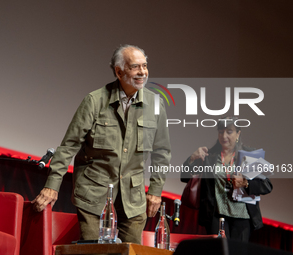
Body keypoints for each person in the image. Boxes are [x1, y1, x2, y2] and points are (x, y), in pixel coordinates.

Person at [32, 44, 171, 244]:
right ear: (119, 71)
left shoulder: (156, 105)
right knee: (94, 251)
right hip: (94, 194)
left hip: (133, 198)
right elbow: (68, 146)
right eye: (135, 67)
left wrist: (156, 191)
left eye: (145, 66)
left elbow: (162, 152)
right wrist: (52, 185)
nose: (143, 72)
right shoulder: (94, 101)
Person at [181, 117, 272, 242]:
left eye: (229, 132)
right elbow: (184, 177)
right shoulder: (209, 156)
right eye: (220, 131)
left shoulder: (249, 155)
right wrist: (191, 158)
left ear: (238, 133)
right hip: (216, 216)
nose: (224, 136)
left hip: (242, 217)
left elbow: (267, 185)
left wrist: (246, 183)